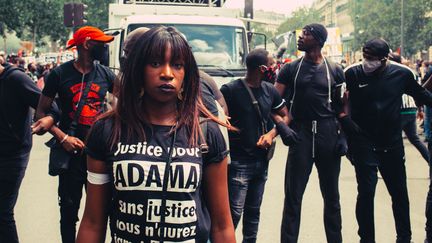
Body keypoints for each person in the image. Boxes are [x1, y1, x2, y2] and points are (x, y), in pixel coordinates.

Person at [76, 26, 235, 243]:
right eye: (155, 63)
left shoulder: (206, 133)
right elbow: (93, 223)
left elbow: (222, 225)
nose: (167, 74)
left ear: (186, 73)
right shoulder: (107, 130)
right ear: (138, 69)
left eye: (177, 65)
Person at [342, 38, 432, 243]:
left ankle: (404, 237)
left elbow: (422, 95)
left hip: (391, 142)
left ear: (384, 59)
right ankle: (366, 238)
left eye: (372, 59)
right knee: (366, 192)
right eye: (365, 57)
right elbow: (342, 103)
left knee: (399, 194)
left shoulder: (402, 74)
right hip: (363, 141)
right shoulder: (353, 74)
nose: (367, 62)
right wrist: (346, 134)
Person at [34, 26, 116, 243]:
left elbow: (130, 103)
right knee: (69, 212)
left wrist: (109, 123)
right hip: (70, 157)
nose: (106, 47)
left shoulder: (106, 74)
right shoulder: (59, 75)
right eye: (102, 43)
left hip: (99, 155)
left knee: (103, 211)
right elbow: (41, 113)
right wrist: (63, 137)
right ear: (87, 44)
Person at [275, 23, 346, 243]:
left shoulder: (334, 69)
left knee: (332, 197)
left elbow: (343, 106)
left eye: (305, 34)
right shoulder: (291, 69)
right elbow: (272, 102)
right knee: (293, 198)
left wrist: (343, 136)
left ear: (318, 40)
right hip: (300, 133)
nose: (300, 37)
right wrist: (282, 127)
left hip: (327, 132)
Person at [221, 48, 289, 243]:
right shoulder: (230, 90)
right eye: (272, 63)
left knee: (253, 212)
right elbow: (221, 121)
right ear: (262, 68)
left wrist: (272, 133)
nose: (275, 67)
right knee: (233, 214)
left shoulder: (270, 90)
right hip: (238, 163)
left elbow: (285, 115)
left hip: (262, 162)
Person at [0, 61, 58, 243]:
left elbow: (52, 108)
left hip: (12, 155)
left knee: (2, 213)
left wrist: (48, 119)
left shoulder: (16, 79)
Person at [387, 52, 430, 164]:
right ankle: (429, 160)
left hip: (399, 109)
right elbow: (419, 91)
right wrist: (419, 109)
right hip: (411, 108)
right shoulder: (411, 72)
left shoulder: (392, 72)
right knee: (415, 139)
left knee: (394, 140)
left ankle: (396, 165)